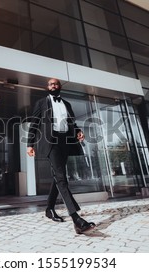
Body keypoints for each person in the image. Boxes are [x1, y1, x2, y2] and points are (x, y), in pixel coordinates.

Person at [26, 78, 96, 234]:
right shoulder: (41, 103)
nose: (53, 85)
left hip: (65, 142)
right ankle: (76, 219)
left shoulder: (67, 104)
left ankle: (49, 209)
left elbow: (72, 123)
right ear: (47, 87)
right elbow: (34, 124)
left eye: (56, 84)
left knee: (58, 177)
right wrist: (29, 144)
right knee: (61, 177)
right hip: (51, 142)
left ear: (59, 87)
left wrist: (78, 132)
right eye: (51, 84)